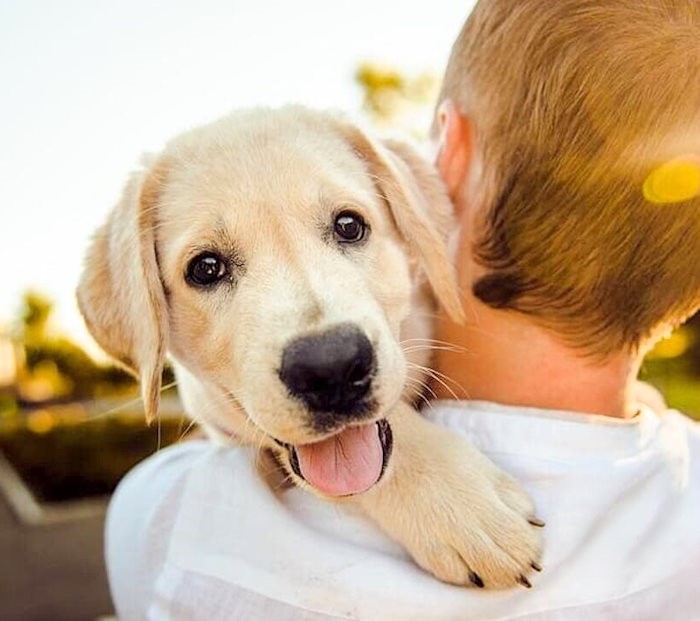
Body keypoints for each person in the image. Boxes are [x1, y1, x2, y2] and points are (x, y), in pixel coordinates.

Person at [106, 1, 700, 619]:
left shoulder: (169, 527)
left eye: (346, 226)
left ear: (447, 157)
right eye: (209, 269)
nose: (324, 347)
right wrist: (405, 460)